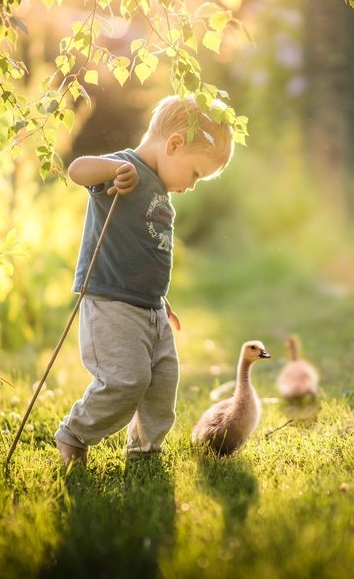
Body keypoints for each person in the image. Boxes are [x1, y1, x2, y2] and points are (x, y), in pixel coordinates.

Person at [54, 95, 234, 464]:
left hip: (150, 306)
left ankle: (145, 450)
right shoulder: (125, 167)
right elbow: (77, 169)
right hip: (112, 302)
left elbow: (146, 250)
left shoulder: (161, 191)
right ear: (174, 145)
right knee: (127, 380)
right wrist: (111, 170)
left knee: (163, 383)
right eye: (197, 173)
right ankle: (74, 434)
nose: (194, 185)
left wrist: (160, 297)